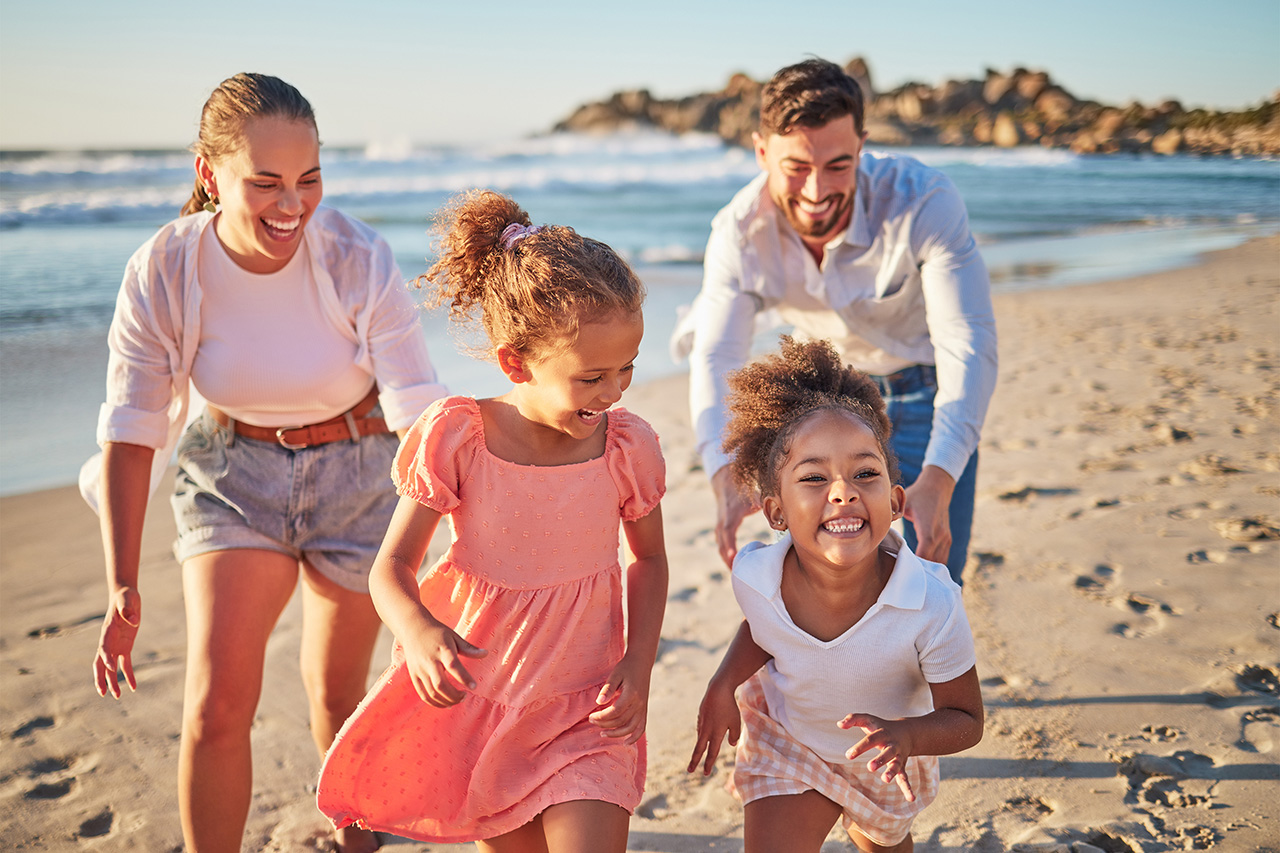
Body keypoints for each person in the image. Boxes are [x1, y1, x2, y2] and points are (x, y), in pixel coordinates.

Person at [82, 73, 446, 853]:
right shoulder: (164, 269)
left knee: (338, 690)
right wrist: (121, 580)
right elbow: (132, 425)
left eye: (309, 179)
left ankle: (357, 839)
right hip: (231, 475)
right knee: (216, 704)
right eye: (267, 183)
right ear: (209, 174)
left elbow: (418, 403)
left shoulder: (356, 255)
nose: (293, 205)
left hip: (358, 474)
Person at [316, 190, 669, 852]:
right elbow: (389, 567)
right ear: (516, 362)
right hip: (486, 708)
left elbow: (648, 559)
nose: (615, 389)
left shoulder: (626, 447)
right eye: (593, 376)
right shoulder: (460, 436)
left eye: (628, 367)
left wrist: (639, 661)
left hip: (588, 708)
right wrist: (418, 633)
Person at [671, 58, 997, 583]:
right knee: (825, 588)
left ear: (862, 145)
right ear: (761, 152)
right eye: (796, 167)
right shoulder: (739, 232)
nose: (817, 190)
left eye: (839, 165)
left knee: (933, 587)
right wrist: (720, 473)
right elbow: (717, 355)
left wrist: (940, 474)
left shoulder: (922, 201)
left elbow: (968, 340)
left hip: (925, 394)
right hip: (825, 402)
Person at [686, 336, 983, 852]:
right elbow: (763, 629)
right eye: (815, 477)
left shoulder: (932, 603)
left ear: (894, 502)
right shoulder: (758, 575)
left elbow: (968, 720)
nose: (843, 491)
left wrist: (907, 737)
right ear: (775, 512)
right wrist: (722, 684)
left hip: (884, 760)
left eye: (865, 473)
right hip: (788, 741)